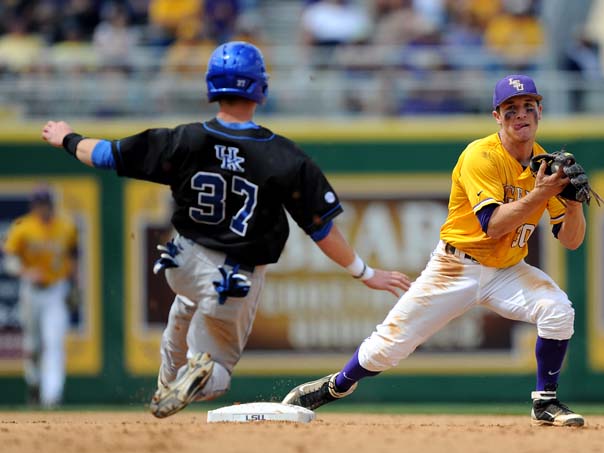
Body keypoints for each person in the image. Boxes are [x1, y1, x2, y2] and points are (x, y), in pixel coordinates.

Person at [41, 41, 411, 418]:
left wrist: (67, 138)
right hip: (231, 277)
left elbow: (105, 154)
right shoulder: (283, 156)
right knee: (217, 370)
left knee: (184, 307)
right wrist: (364, 273)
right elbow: (321, 230)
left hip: (181, 260)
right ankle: (198, 374)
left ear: (211, 87)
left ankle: (168, 385)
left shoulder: (183, 139)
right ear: (260, 89)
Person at [283, 74, 587, 427]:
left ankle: (545, 402)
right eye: (511, 109)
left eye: (528, 107)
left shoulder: (545, 166)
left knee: (558, 310)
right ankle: (336, 386)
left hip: (506, 270)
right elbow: (493, 225)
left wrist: (574, 203)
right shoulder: (481, 155)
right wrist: (542, 194)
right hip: (455, 267)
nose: (521, 115)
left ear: (539, 112)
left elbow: (571, 240)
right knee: (388, 347)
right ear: (496, 117)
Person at [2, 186, 78, 408]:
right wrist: (25, 272)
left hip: (56, 290)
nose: (43, 207)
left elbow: (73, 257)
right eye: (39, 203)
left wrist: (75, 286)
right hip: (30, 291)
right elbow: (9, 261)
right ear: (34, 206)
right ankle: (34, 383)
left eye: (46, 203)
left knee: (54, 343)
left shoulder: (66, 227)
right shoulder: (22, 227)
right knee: (33, 346)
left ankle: (52, 396)